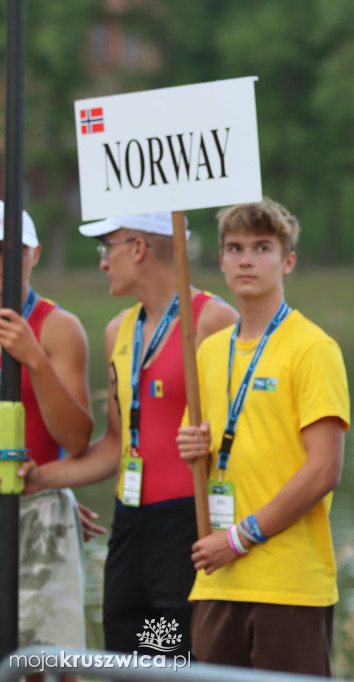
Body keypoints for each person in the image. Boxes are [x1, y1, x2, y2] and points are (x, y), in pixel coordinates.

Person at [21, 212, 237, 655]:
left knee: (171, 660)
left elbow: (243, 432)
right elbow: (117, 447)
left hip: (185, 527)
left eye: (107, 248)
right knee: (126, 659)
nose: (101, 262)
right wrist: (42, 479)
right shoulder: (118, 330)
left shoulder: (213, 319)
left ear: (138, 249)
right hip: (130, 525)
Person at [175, 198, 349, 675]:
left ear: (287, 261)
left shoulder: (313, 348)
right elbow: (216, 450)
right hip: (217, 581)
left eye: (261, 248)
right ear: (221, 260)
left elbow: (324, 470)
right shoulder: (209, 351)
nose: (246, 259)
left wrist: (239, 537)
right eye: (234, 248)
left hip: (287, 581)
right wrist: (193, 448)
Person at [0, 201, 92, 666]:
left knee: (49, 665)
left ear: (33, 253)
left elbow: (76, 440)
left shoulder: (58, 327)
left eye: (10, 250)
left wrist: (33, 358)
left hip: (37, 512)